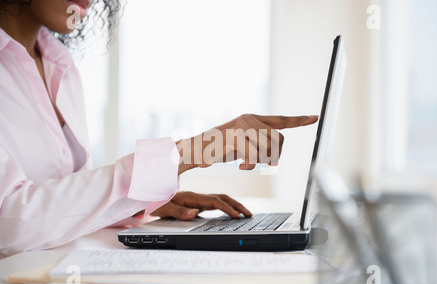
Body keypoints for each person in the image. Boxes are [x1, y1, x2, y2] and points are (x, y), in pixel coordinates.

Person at [0, 0, 318, 257]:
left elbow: (61, 195)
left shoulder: (61, 64)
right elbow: (9, 224)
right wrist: (184, 154)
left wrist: (146, 201)